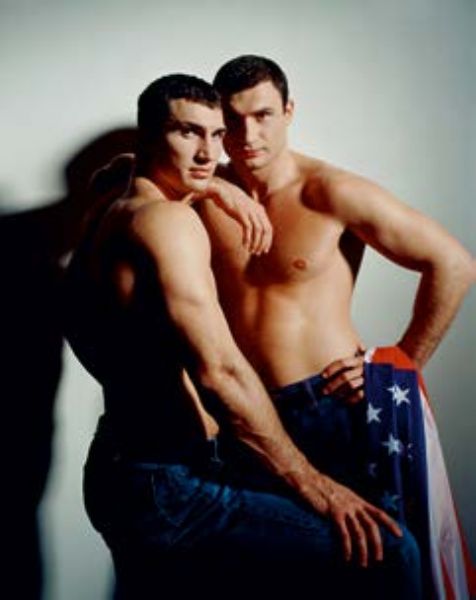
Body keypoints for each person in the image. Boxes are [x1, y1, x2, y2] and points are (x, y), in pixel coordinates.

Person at [63, 74, 421, 599]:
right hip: (171, 485)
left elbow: (125, 169)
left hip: (120, 466)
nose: (209, 153)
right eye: (188, 132)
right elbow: (221, 373)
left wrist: (211, 185)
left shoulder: (104, 207)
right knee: (391, 551)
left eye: (216, 134)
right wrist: (318, 487)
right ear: (150, 135)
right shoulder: (169, 223)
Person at [191, 54, 473, 598]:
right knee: (271, 580)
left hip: (332, 407)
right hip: (249, 416)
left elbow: (453, 264)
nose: (248, 136)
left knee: (372, 566)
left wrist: (403, 363)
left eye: (263, 115)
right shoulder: (204, 192)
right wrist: (213, 189)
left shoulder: (329, 192)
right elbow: (133, 172)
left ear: (289, 111)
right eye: (233, 121)